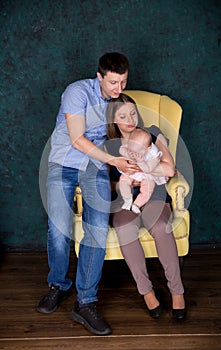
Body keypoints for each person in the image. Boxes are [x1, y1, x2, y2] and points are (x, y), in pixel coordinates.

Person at [37, 53, 136, 336]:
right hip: (65, 162)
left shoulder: (119, 102)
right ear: (100, 77)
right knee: (58, 228)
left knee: (96, 229)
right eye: (114, 82)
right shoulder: (77, 92)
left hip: (96, 167)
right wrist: (114, 161)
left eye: (124, 82)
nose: (119, 89)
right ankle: (58, 284)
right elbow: (77, 139)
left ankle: (86, 302)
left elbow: (128, 133)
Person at [105, 93, 186, 320]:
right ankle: (147, 292)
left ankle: (177, 291)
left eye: (132, 112)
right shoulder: (110, 147)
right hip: (125, 201)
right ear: (113, 120)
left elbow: (169, 170)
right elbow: (105, 183)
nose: (130, 119)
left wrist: (144, 172)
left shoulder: (152, 133)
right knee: (125, 230)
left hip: (155, 196)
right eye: (123, 115)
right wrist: (127, 179)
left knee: (161, 226)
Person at [118, 127, 168, 214]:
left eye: (138, 151)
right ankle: (127, 199)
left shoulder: (153, 154)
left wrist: (140, 161)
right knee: (123, 180)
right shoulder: (132, 145)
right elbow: (121, 149)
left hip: (147, 175)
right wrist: (128, 153)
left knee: (147, 190)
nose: (134, 153)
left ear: (148, 148)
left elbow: (149, 169)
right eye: (131, 148)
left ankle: (136, 205)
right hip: (133, 172)